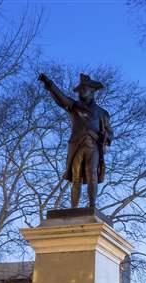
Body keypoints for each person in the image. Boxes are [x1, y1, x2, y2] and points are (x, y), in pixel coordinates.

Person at [38, 73, 113, 209]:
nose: (81, 92)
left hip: (93, 146)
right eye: (80, 90)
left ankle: (92, 206)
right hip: (76, 145)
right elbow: (62, 99)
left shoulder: (102, 113)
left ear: (92, 90)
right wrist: (49, 84)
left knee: (92, 174)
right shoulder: (74, 106)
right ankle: (74, 208)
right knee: (76, 176)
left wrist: (106, 137)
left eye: (84, 89)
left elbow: (109, 132)